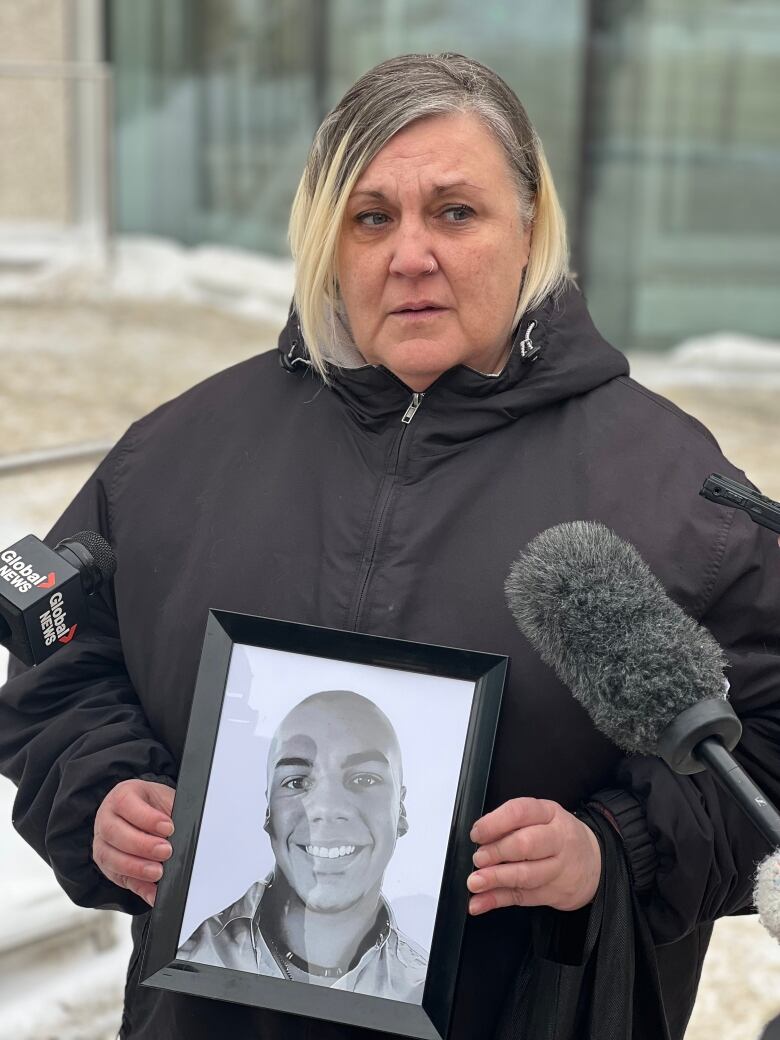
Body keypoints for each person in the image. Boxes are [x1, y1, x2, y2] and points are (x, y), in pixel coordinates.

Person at [1, 52, 779, 1040]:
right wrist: (103, 790)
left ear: (531, 227)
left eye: (456, 212)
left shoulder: (675, 490)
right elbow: (59, 669)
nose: (411, 253)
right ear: (328, 242)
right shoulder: (171, 457)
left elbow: (767, 745)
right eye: (372, 218)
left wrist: (610, 847)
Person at [178, 690, 427, 1002]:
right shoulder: (190, 959)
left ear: (400, 811)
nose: (326, 807)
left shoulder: (426, 994)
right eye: (296, 782)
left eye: (364, 779)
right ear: (268, 811)